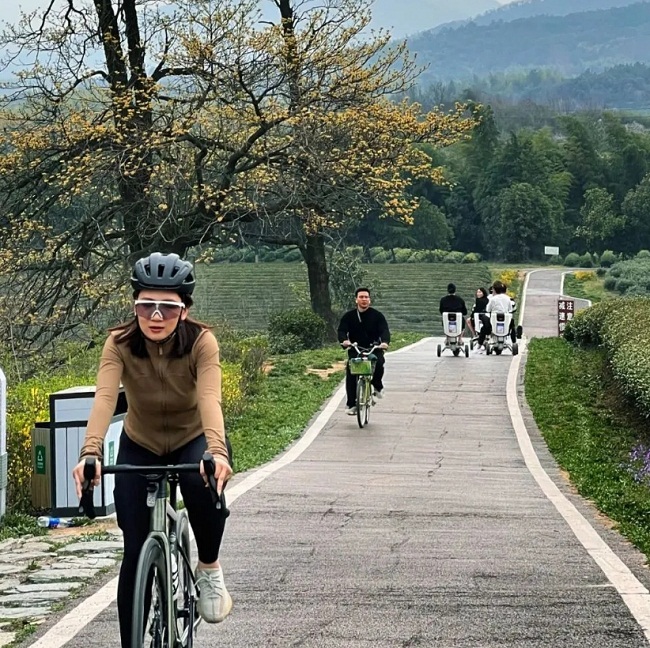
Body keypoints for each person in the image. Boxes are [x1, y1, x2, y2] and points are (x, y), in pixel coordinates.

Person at [71, 252, 233, 648]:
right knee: (134, 549)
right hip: (141, 442)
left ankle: (209, 567)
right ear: (134, 306)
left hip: (193, 437)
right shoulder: (119, 343)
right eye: (146, 305)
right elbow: (104, 397)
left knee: (204, 486)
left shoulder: (201, 342)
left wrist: (217, 451)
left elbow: (209, 398)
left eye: (167, 307)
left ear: (184, 310)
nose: (156, 316)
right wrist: (90, 452)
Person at [337, 287, 390, 415]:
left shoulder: (377, 316)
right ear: (356, 300)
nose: (364, 299)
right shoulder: (349, 316)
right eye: (361, 297)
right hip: (356, 348)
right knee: (351, 372)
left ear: (369, 300)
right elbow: (342, 330)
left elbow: (384, 330)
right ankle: (351, 404)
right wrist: (344, 340)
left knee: (379, 363)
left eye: (366, 297)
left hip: (374, 348)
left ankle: (377, 386)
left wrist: (384, 342)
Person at [477, 280, 516, 347]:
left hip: (493, 322)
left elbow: (488, 309)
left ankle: (479, 344)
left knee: (484, 321)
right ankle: (514, 342)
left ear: (494, 290)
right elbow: (510, 309)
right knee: (512, 324)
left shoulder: (493, 299)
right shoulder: (507, 298)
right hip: (505, 321)